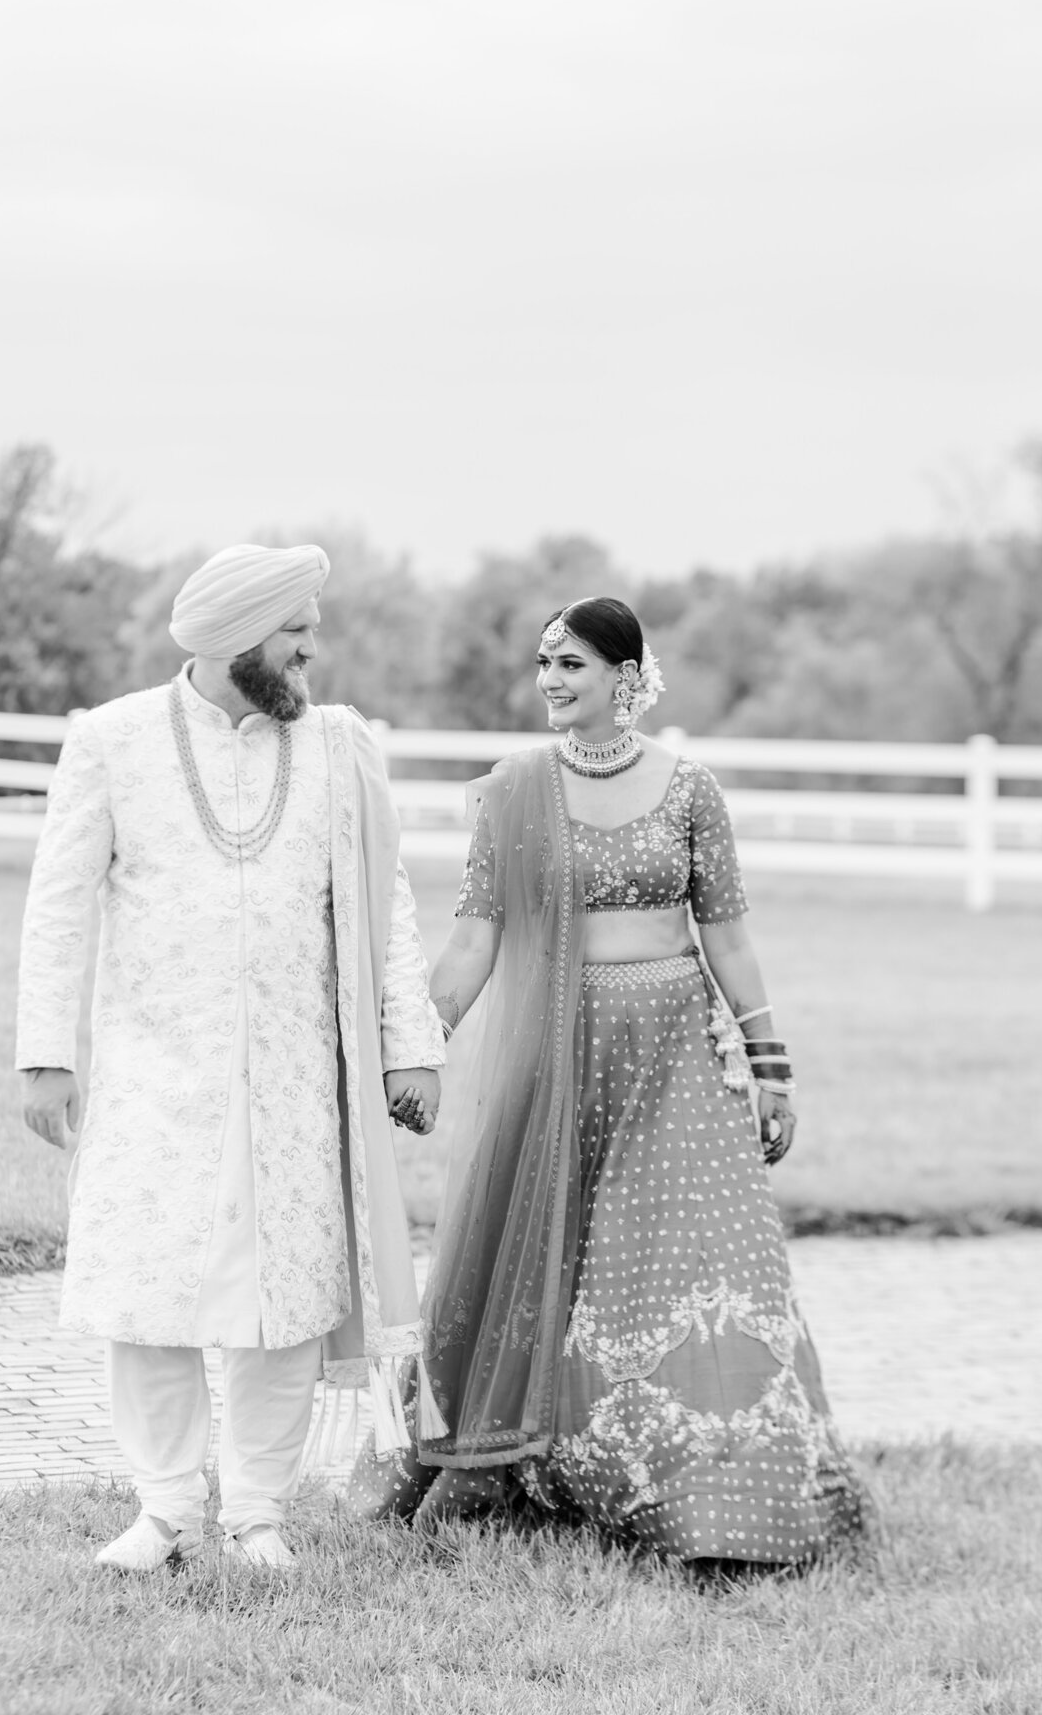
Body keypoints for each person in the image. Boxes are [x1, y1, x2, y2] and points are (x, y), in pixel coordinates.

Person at [349, 596, 868, 1565]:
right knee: (549, 1260)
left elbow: (728, 936)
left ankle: (715, 1493)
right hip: (555, 1066)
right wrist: (412, 1040)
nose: (550, 681)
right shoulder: (513, 792)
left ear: (627, 678)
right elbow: (473, 944)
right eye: (544, 663)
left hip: (675, 1058)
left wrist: (770, 1063)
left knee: (698, 1266)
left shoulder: (689, 790)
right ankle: (534, 1458)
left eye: (572, 665)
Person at [18, 542, 444, 1574]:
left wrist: (408, 1043)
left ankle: (258, 1516)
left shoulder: (340, 747)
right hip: (155, 1067)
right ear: (234, 636)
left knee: (285, 1302)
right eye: (297, 628)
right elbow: (60, 899)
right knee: (146, 1290)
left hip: (298, 1077)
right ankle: (162, 1512)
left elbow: (385, 909)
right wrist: (44, 1051)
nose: (313, 647)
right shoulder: (113, 740)